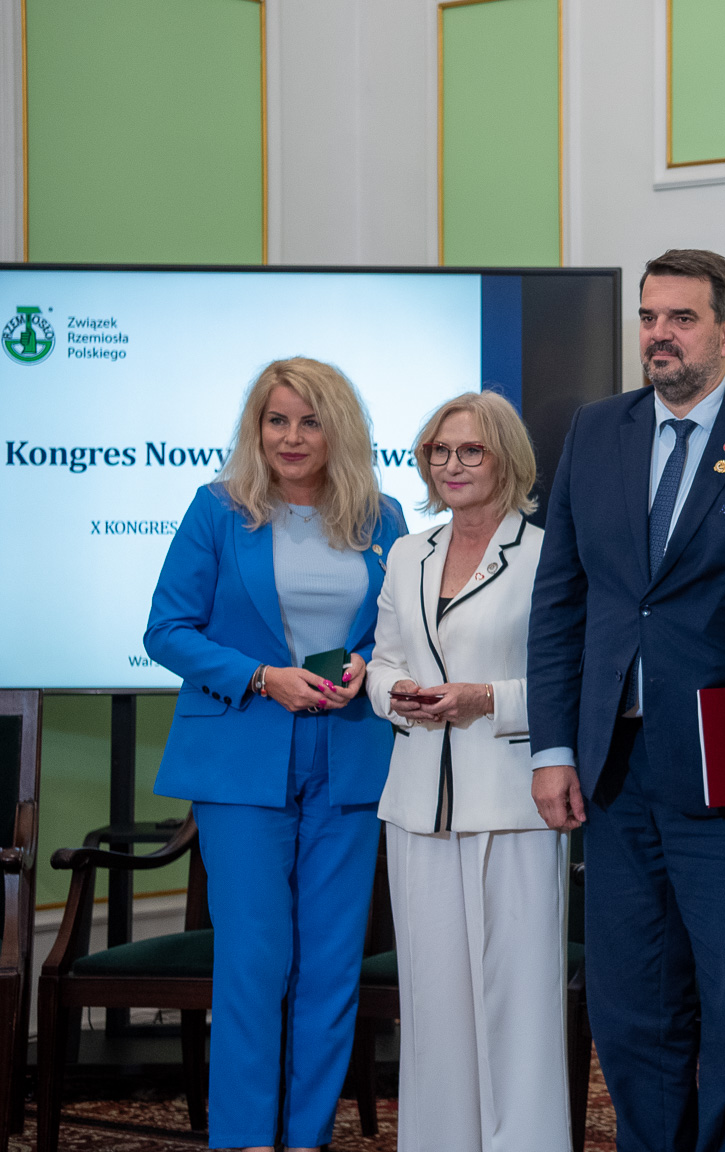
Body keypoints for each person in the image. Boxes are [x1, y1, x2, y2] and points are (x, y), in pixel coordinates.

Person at [527, 249, 725, 1152]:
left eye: (682, 318)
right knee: (630, 1007)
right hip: (615, 773)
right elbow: (561, 601)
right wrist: (553, 747)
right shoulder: (596, 430)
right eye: (649, 317)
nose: (659, 334)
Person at [145, 358, 407, 1152]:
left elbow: (402, 629)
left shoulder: (383, 516)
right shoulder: (219, 509)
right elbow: (167, 630)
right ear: (256, 429)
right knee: (255, 963)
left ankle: (305, 1138)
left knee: (331, 967)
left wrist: (367, 662)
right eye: (277, 420)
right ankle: (246, 1140)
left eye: (310, 421)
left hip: (351, 759)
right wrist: (261, 677)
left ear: (340, 430)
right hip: (241, 761)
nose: (291, 437)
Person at [365, 391, 566, 1152]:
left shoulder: (547, 554)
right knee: (433, 1004)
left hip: (513, 803)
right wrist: (395, 695)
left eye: (470, 450)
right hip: (417, 806)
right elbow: (383, 661)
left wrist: (488, 699)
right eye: (438, 451)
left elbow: (572, 681)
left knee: (518, 1004)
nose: (451, 464)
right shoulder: (406, 553)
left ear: (506, 458)